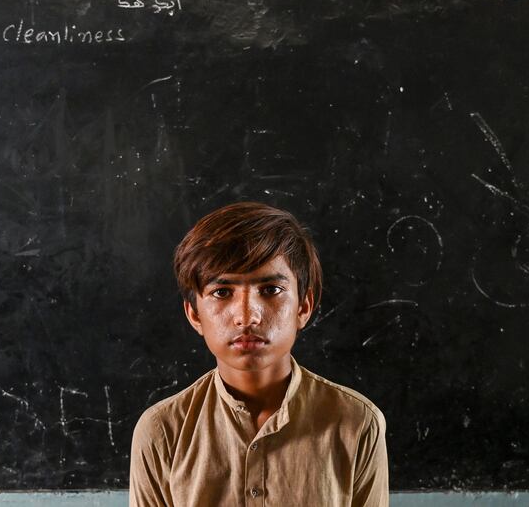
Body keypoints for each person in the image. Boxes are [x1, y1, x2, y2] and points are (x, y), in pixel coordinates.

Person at [130, 202, 388, 506]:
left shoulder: (356, 422)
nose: (247, 316)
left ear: (303, 307)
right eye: (222, 292)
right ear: (195, 314)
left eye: (270, 290)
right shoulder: (163, 431)